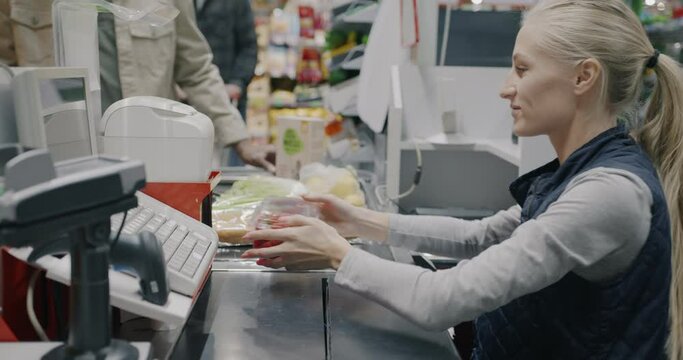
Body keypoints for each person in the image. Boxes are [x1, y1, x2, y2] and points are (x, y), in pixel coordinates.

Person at [242, 0, 683, 358]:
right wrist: (357, 221)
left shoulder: (607, 194)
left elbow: (443, 298)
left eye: (523, 69)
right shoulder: (581, 173)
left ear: (584, 76)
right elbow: (482, 236)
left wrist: (337, 253)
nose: (506, 87)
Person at [0, 0, 275, 172]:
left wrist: (240, 141)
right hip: (57, 162)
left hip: (147, 157)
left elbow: (196, 68)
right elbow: (6, 79)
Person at [195, 0, 258, 166]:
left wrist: (237, 83)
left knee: (232, 165)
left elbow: (249, 46)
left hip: (229, 100)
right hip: (190, 99)